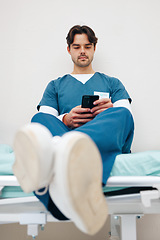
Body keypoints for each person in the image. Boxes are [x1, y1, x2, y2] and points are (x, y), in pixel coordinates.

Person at [13, 25, 134, 235]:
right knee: (39, 118)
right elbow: (46, 119)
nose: (83, 51)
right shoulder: (55, 86)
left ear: (95, 48)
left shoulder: (112, 83)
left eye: (87, 46)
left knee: (121, 114)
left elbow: (126, 117)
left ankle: (68, 148)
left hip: (101, 139)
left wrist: (107, 110)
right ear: (69, 50)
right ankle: (68, 147)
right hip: (65, 134)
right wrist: (66, 119)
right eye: (77, 46)